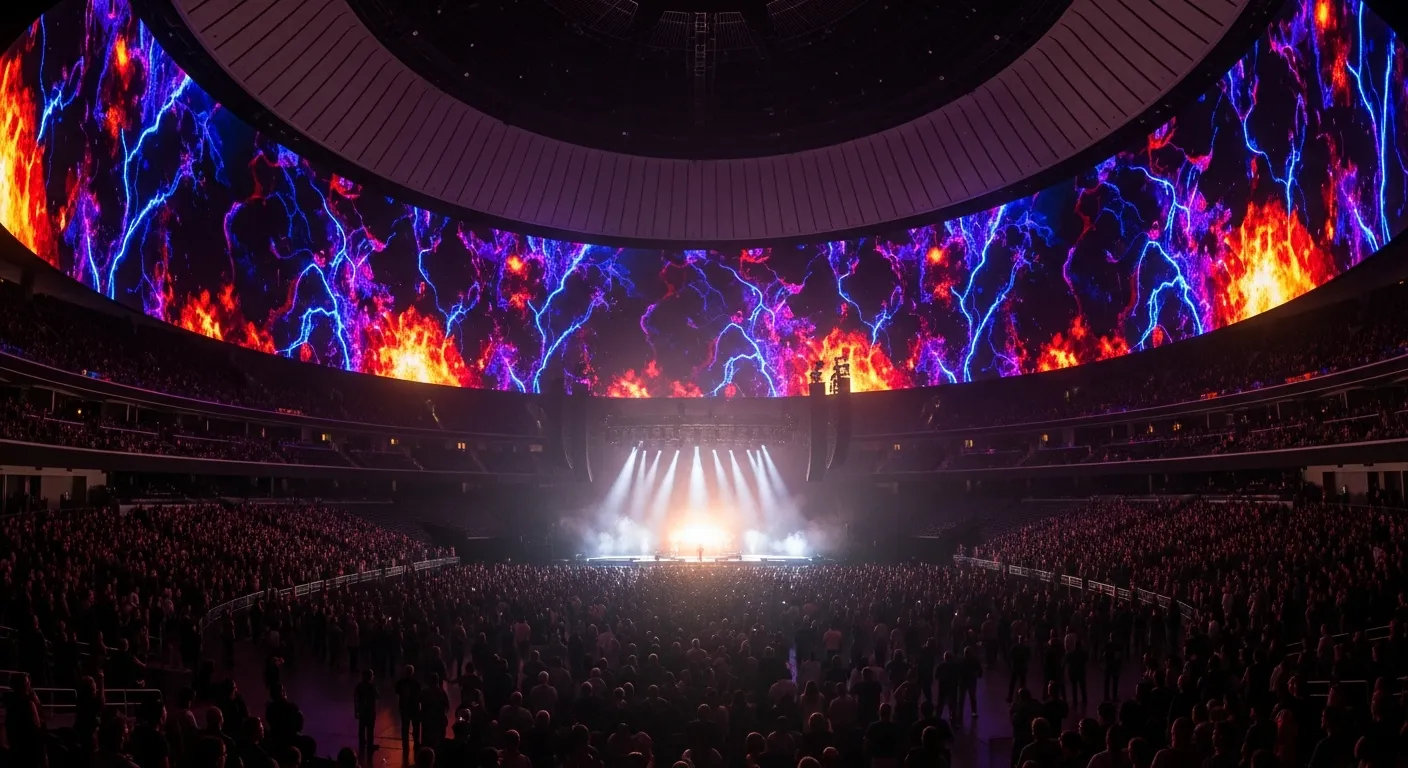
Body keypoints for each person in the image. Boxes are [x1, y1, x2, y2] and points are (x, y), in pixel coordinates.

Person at [354, 668, 378, 752]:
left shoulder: (359, 686)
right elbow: (377, 696)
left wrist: (356, 711)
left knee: (362, 728)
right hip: (370, 711)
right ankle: (370, 744)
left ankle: (362, 743)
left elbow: (356, 699)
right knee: (370, 729)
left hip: (362, 711)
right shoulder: (372, 686)